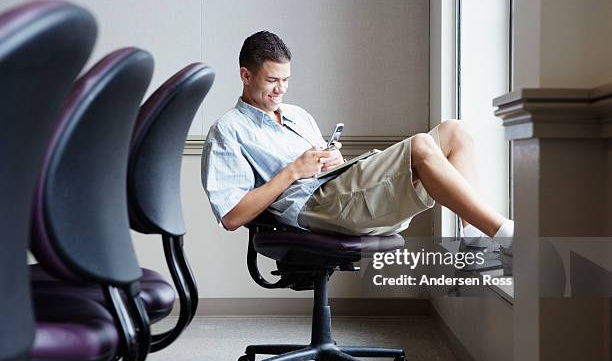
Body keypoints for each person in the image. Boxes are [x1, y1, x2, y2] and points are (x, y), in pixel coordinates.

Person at [201, 31, 513, 252]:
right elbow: (231, 217)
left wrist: (331, 159)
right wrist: (294, 171)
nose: (280, 89)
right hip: (315, 206)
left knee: (455, 131)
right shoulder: (228, 130)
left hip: (339, 189)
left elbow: (324, 170)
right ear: (245, 75)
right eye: (271, 80)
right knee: (419, 146)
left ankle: (473, 241)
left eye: (286, 80)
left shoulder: (296, 114)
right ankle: (504, 234)